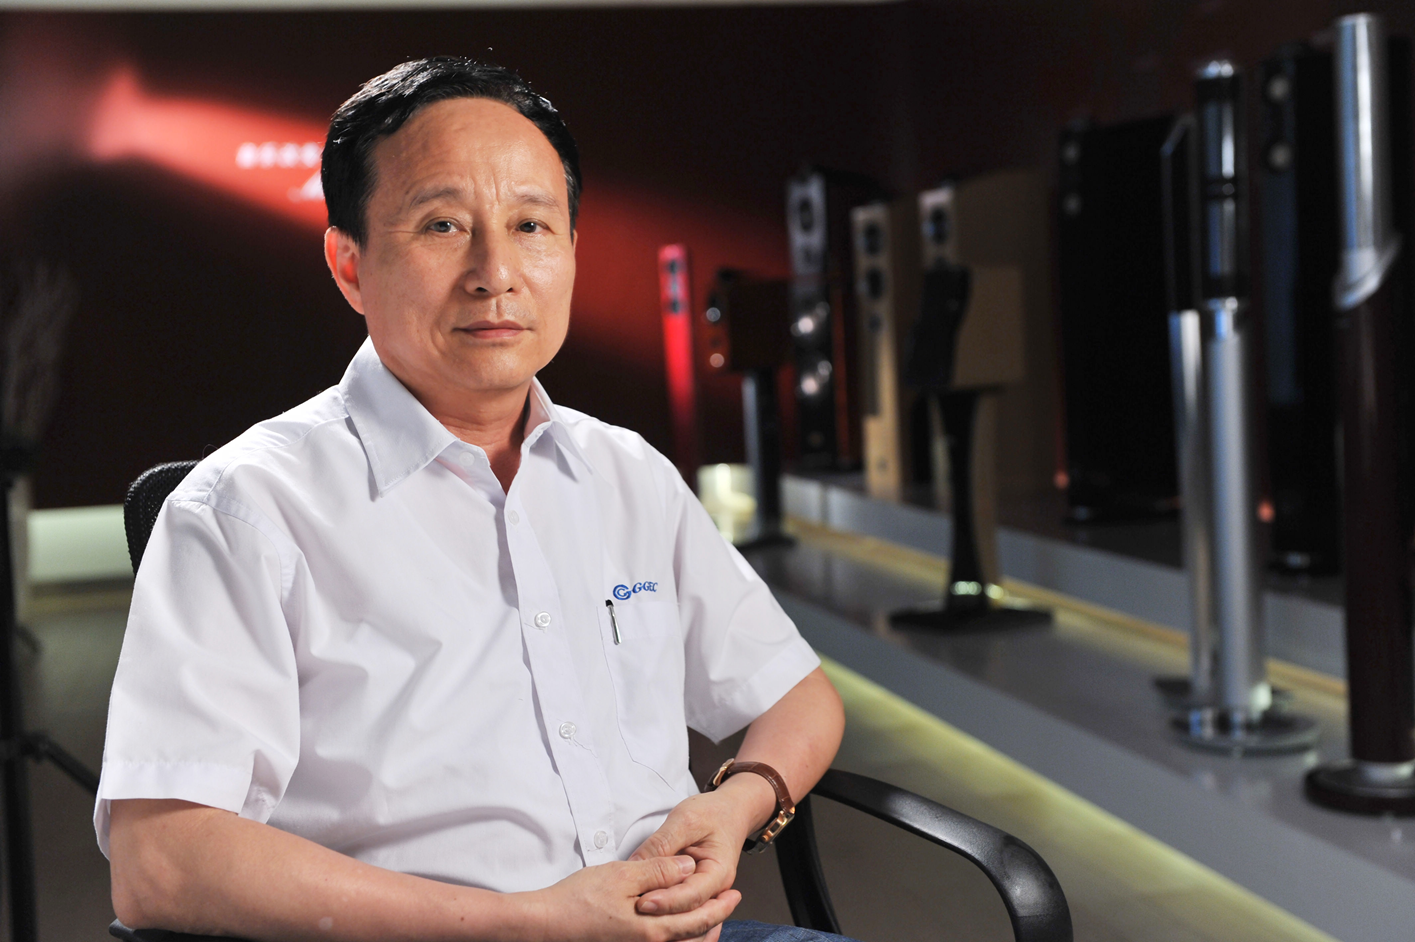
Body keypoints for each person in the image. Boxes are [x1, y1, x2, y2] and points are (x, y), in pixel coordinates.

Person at [97, 58, 850, 942]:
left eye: (530, 224)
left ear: (570, 248)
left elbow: (797, 695)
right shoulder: (247, 508)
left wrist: (739, 802)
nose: (496, 272)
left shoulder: (626, 473)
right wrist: (528, 923)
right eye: (442, 225)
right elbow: (161, 862)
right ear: (349, 265)